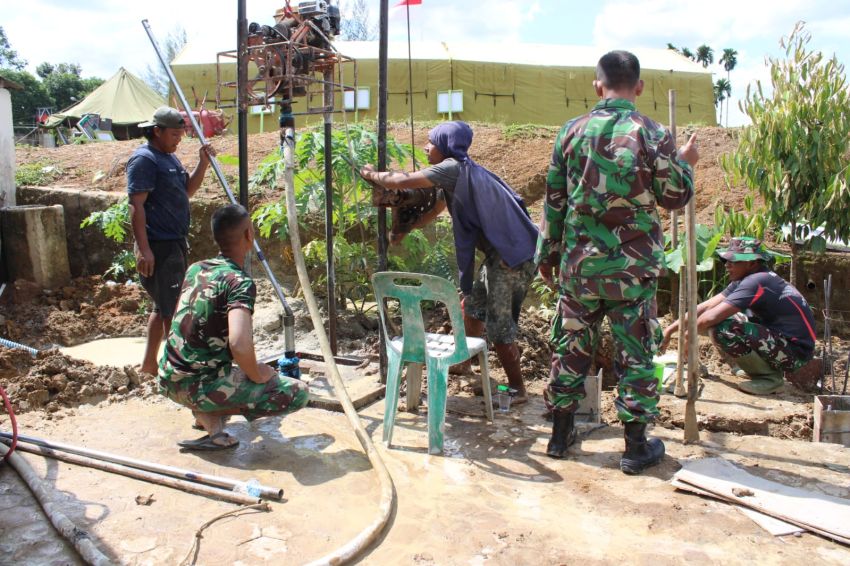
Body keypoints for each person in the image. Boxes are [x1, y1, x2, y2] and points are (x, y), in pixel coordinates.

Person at [537, 50, 699, 473]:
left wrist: (547, 255)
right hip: (633, 272)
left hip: (580, 268)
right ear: (639, 87)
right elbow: (675, 196)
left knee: (570, 347)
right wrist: (686, 164)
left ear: (597, 85)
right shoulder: (653, 133)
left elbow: (554, 202)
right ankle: (634, 447)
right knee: (636, 353)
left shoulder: (570, 133)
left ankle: (559, 437)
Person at [360, 121, 539, 404]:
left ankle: (517, 389)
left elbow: (401, 181)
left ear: (445, 146)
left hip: (512, 257)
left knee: (500, 326)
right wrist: (404, 229)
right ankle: (465, 361)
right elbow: (433, 212)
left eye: (431, 142)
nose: (426, 147)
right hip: (504, 253)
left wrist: (371, 174)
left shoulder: (453, 167)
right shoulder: (459, 177)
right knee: (473, 305)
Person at [158, 204, 310, 450]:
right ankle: (208, 407)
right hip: (198, 387)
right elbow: (239, 344)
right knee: (297, 392)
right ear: (249, 235)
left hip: (168, 380)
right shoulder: (239, 282)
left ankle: (209, 418)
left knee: (229, 371)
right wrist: (258, 373)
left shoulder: (196, 268)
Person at [661, 236, 815, 395]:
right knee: (721, 322)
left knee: (722, 329)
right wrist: (669, 331)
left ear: (752, 263)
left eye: (733, 261)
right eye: (726, 260)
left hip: (796, 353)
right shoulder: (748, 278)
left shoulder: (757, 281)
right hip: (783, 342)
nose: (727, 265)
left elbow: (710, 318)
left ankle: (769, 378)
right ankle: (759, 370)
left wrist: (687, 335)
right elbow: (705, 307)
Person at [128, 106, 214, 375]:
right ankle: (177, 371)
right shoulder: (145, 160)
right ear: (157, 131)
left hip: (173, 243)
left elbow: (187, 191)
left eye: (181, 134)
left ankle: (149, 365)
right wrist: (144, 249)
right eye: (175, 134)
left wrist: (203, 163)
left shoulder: (169, 159)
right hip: (158, 246)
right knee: (173, 311)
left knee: (162, 305)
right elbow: (136, 206)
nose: (179, 139)